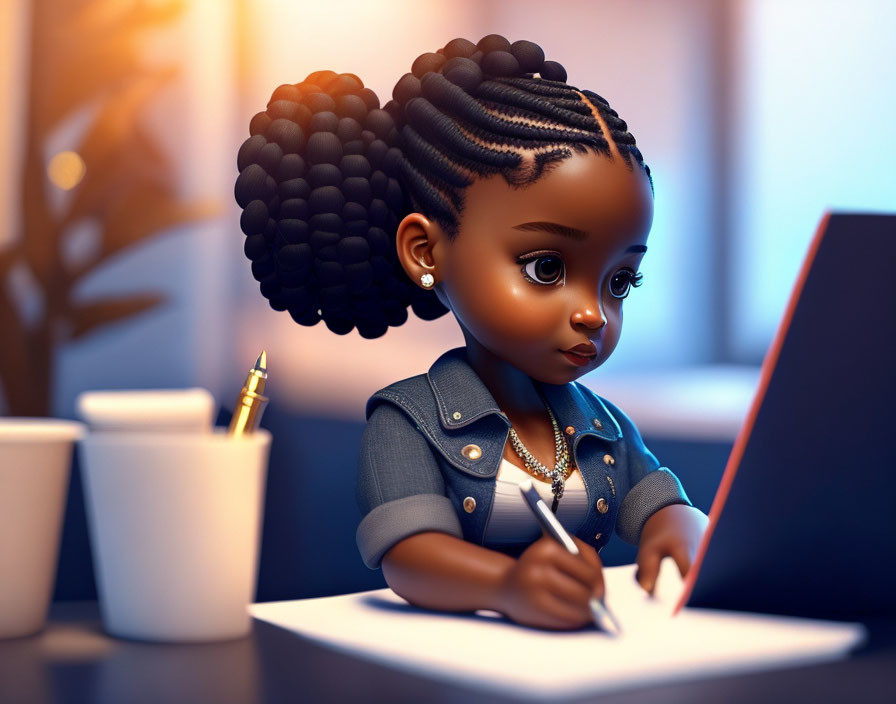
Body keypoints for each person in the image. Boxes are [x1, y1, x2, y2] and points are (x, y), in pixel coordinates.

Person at [234, 34, 708, 630]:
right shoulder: (407, 421)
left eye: (620, 282)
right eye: (546, 268)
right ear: (425, 250)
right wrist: (508, 586)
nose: (593, 313)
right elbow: (409, 554)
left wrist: (682, 525)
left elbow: (659, 503)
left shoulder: (602, 426)